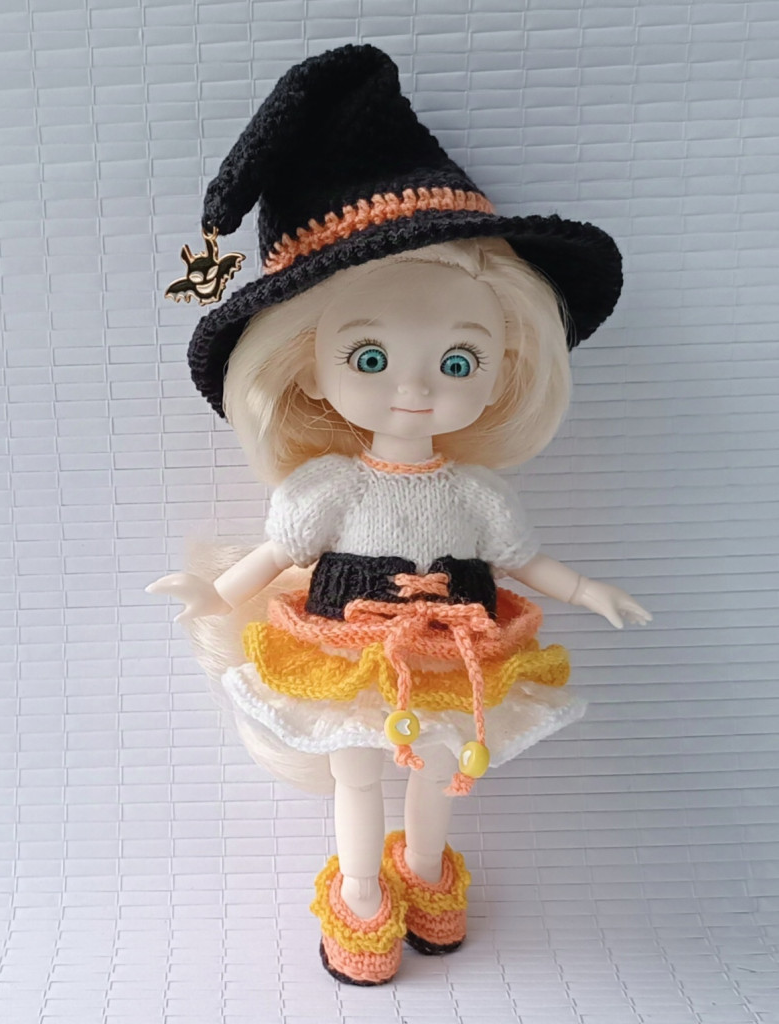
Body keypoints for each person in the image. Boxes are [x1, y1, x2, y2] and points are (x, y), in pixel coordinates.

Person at [148, 45, 650, 986]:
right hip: (348, 640)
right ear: (306, 366)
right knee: (355, 766)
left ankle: (423, 876)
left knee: (440, 764)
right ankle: (361, 897)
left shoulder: (475, 493)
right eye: (370, 358)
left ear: (503, 371)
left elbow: (524, 559)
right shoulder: (329, 487)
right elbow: (276, 553)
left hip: (453, 639)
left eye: (458, 362)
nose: (415, 388)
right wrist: (210, 592)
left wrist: (588, 589)